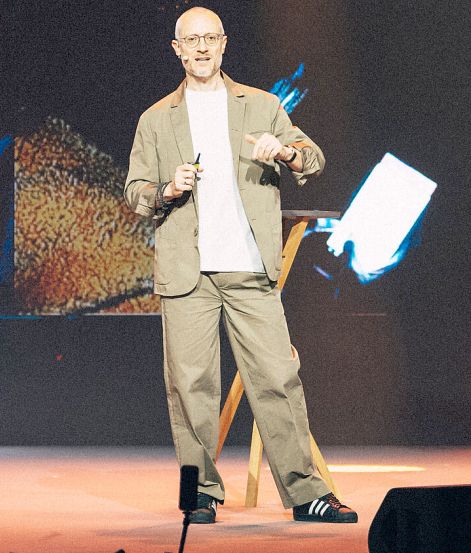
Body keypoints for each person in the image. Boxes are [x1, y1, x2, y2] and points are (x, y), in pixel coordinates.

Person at [124, 7, 357, 524]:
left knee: (278, 378)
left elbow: (312, 158)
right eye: (192, 40)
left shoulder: (261, 105)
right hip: (188, 272)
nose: (202, 48)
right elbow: (135, 192)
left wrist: (286, 153)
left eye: (211, 38)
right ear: (177, 49)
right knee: (190, 388)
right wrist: (167, 189)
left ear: (224, 44)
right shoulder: (156, 118)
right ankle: (198, 493)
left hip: (251, 269)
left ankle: (306, 493)